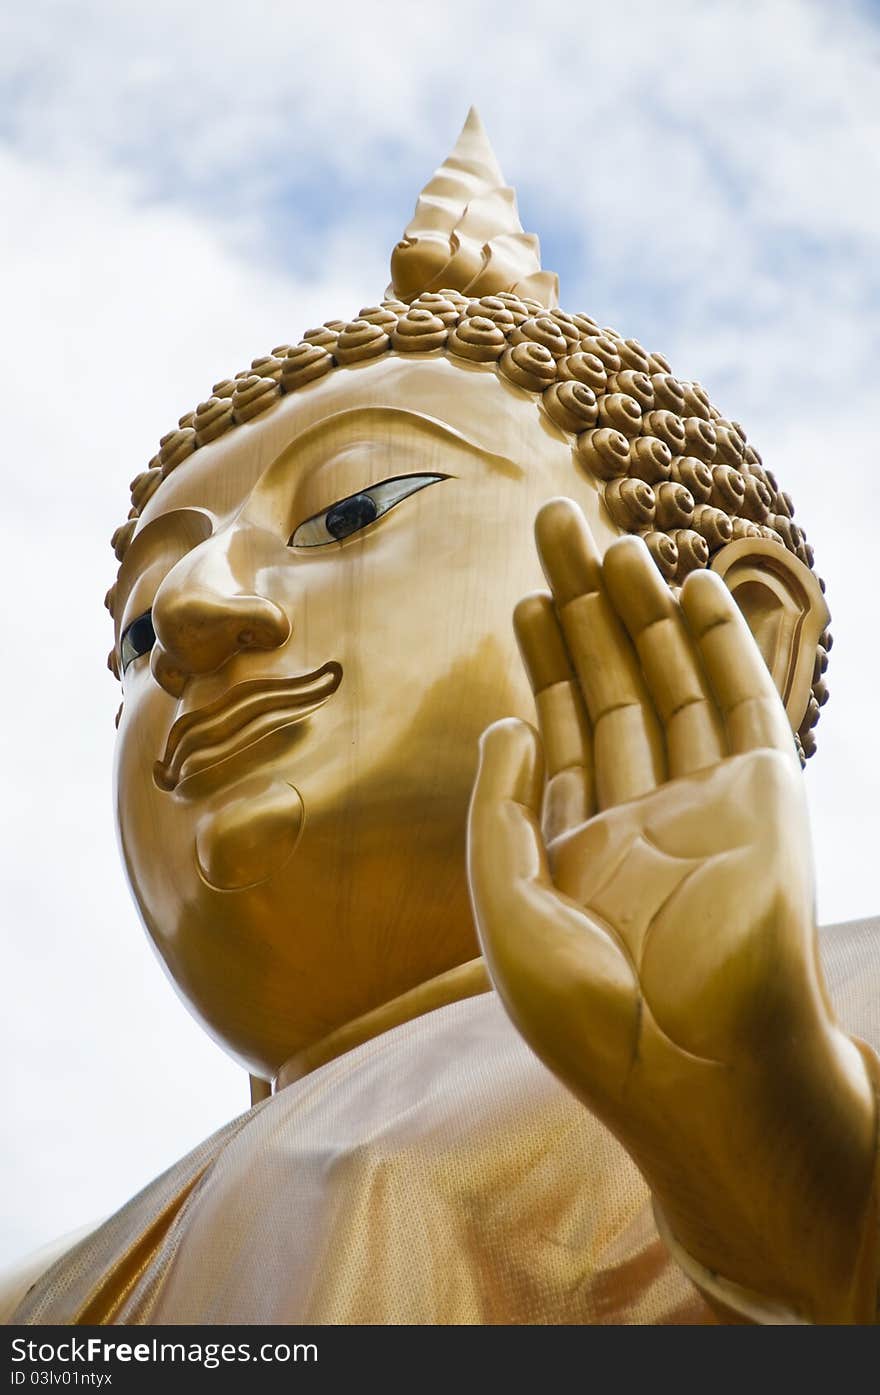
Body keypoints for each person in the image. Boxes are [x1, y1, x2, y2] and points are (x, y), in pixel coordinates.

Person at [4, 109, 878, 1325]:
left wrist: (785, 1161)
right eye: (140, 629)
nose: (197, 615)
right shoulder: (44, 1300)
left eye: (353, 513)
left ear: (736, 628)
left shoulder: (847, 1008)